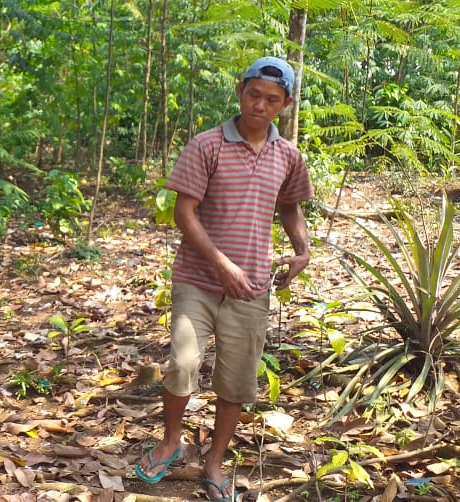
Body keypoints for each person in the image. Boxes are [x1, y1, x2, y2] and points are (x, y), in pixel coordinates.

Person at [133, 56, 312, 502]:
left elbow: (290, 206)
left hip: (251, 286)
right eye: (254, 94)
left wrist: (302, 250)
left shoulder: (288, 156)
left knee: (236, 380)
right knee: (183, 363)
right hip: (197, 279)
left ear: (285, 104)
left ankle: (214, 461)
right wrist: (220, 263)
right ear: (240, 91)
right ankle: (171, 442)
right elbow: (183, 212)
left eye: (272, 99)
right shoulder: (207, 144)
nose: (260, 105)